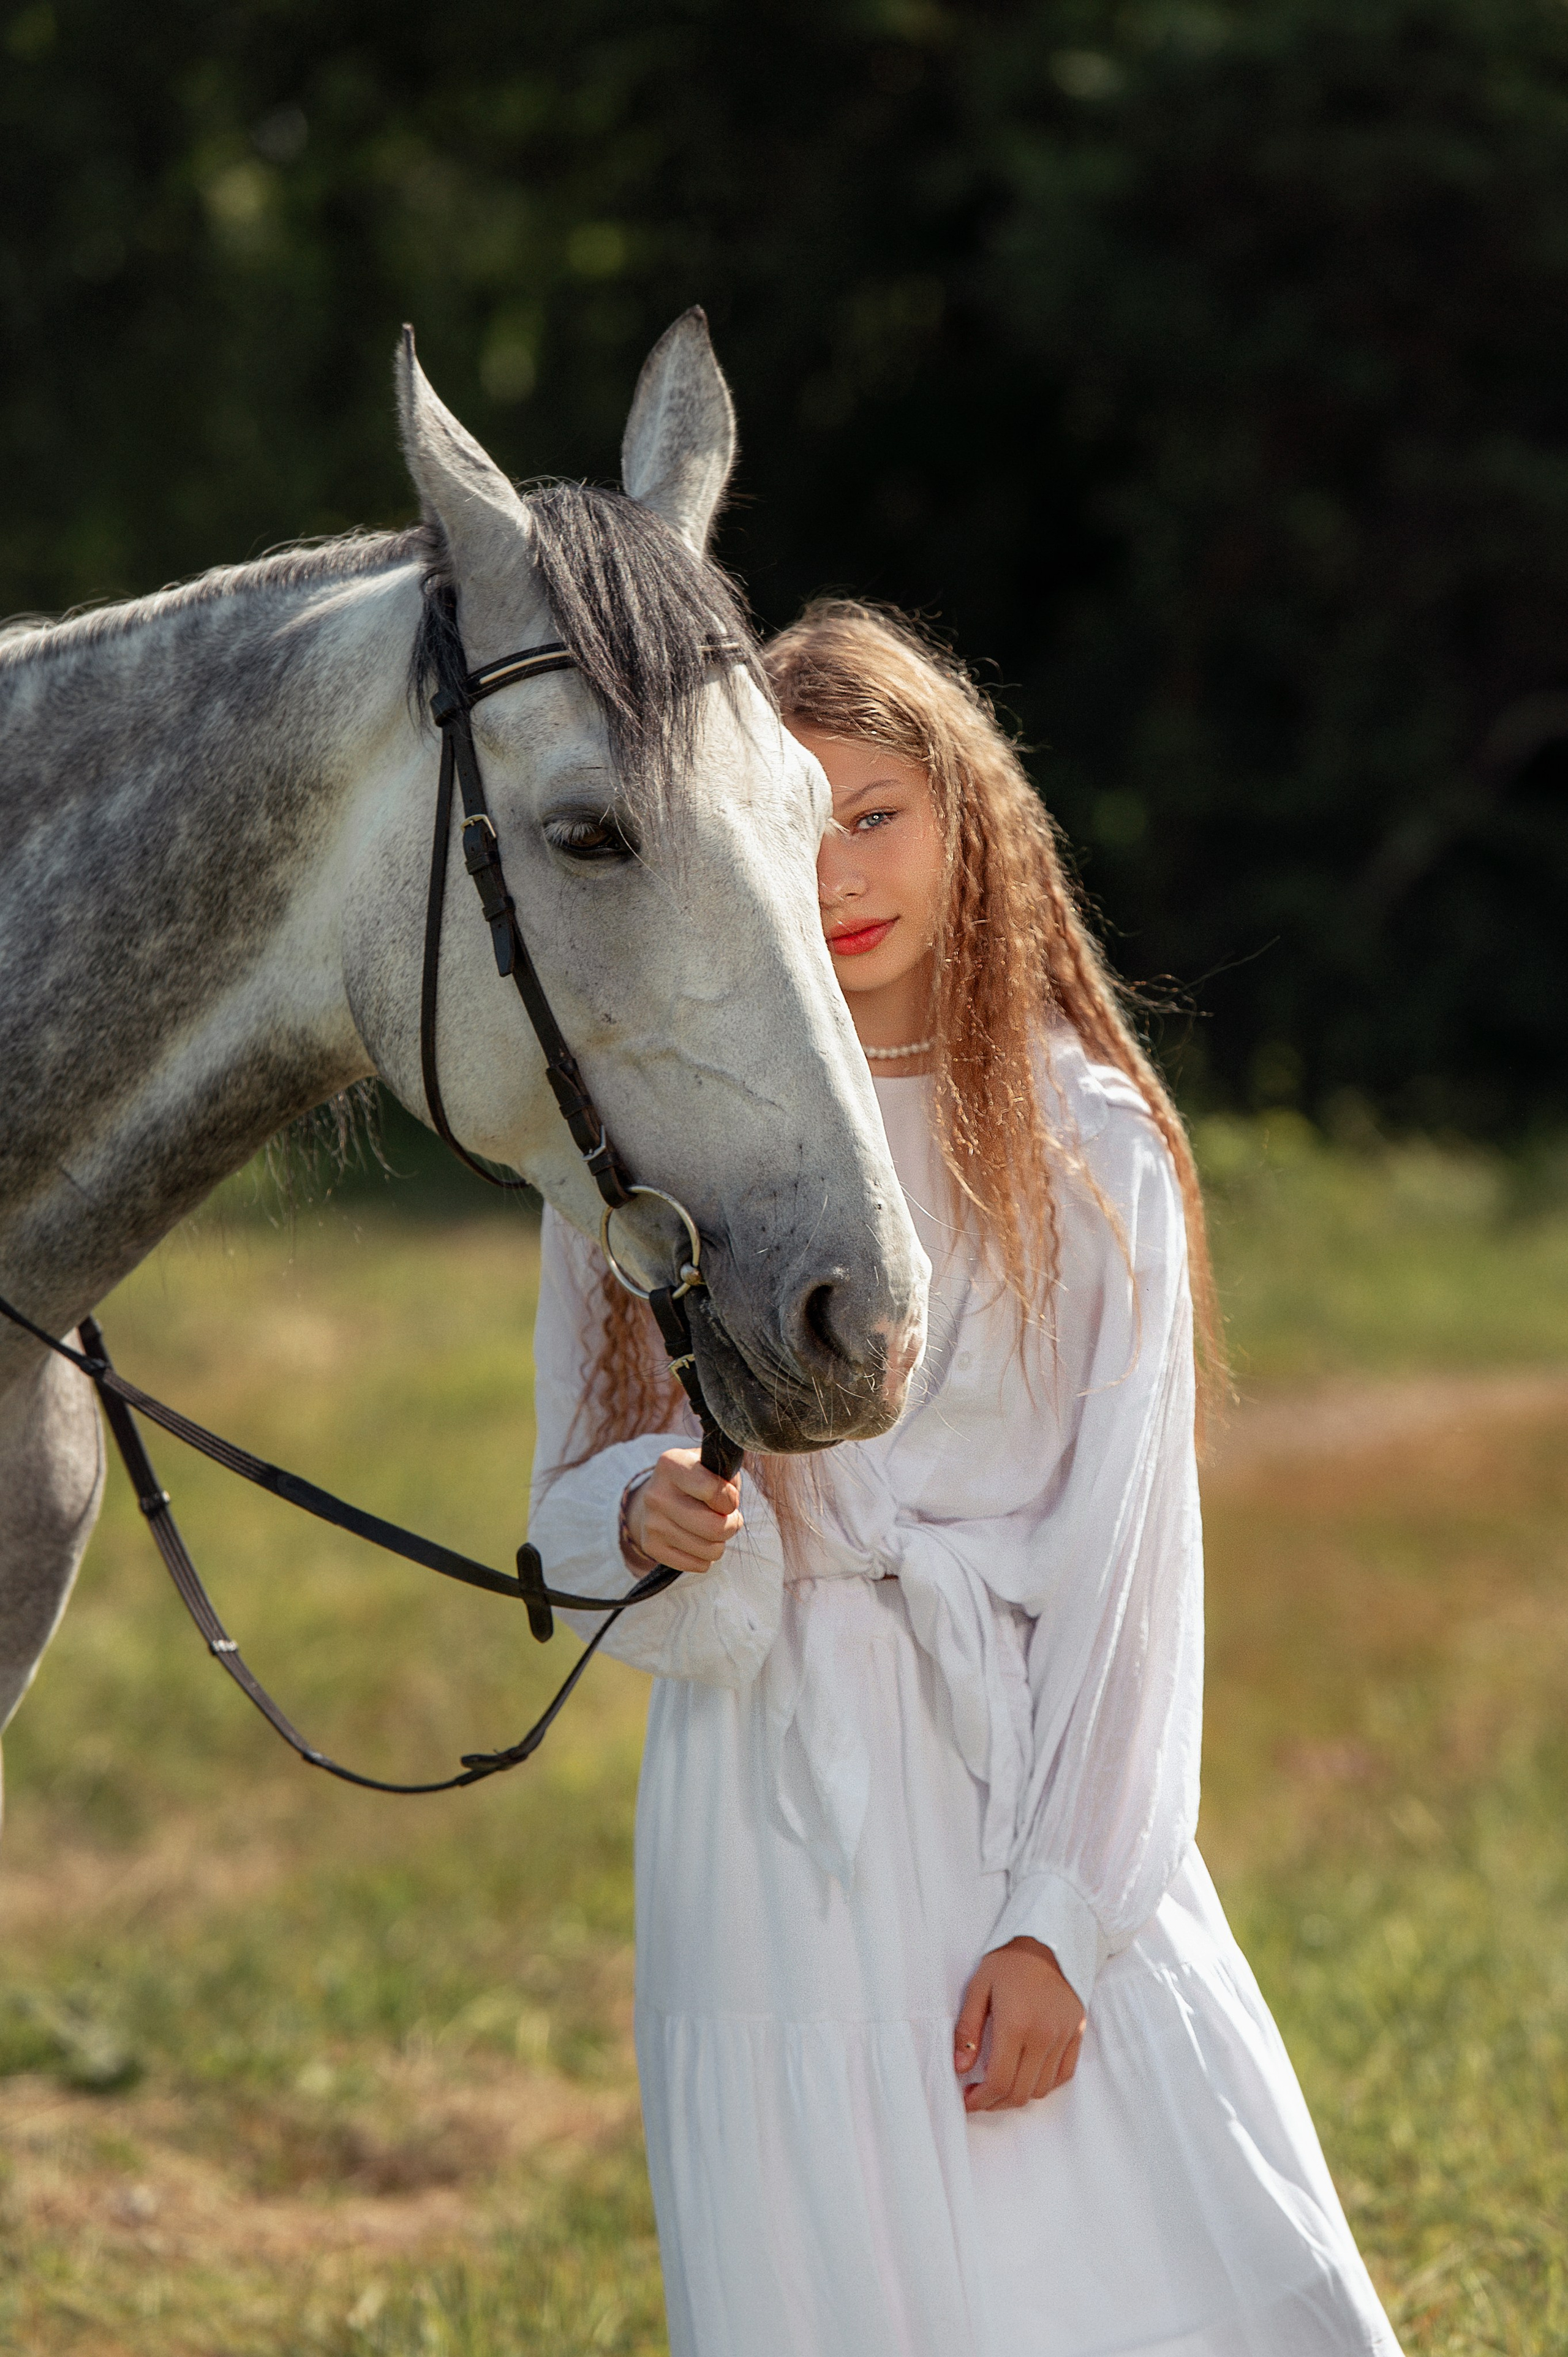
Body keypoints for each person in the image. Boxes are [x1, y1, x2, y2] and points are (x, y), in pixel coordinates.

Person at [528, 602, 1402, 2357]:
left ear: (970, 819)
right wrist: (642, 1514)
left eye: (880, 813)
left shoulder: (1086, 1139)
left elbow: (1131, 1573)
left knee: (1119, 2241)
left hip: (1008, 1771)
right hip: (762, 1792)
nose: (843, 869)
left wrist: (1068, 1922)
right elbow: (563, 1498)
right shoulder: (667, 1141)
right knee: (812, 2263)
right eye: (797, 820)